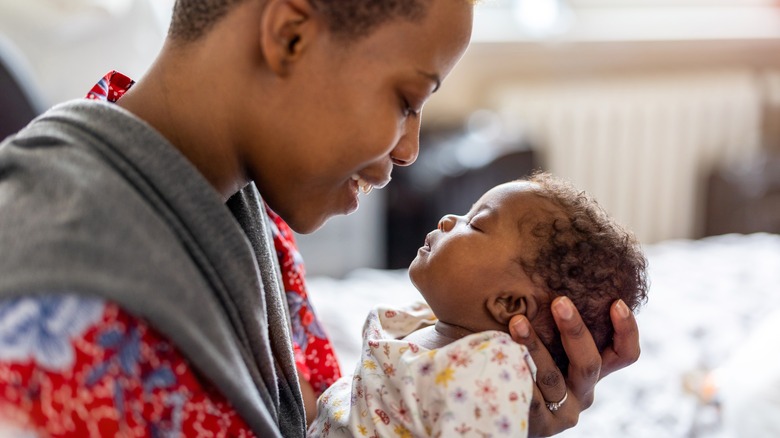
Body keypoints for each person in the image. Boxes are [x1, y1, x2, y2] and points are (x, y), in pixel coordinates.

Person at [0, 0, 641, 436]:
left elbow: (327, 414)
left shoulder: (234, 205)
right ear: (290, 36)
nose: (410, 148)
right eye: (407, 98)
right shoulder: (65, 330)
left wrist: (482, 412)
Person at [309, 173, 649, 437]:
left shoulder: (488, 374)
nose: (447, 219)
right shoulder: (436, 324)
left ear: (508, 303)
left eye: (475, 223)